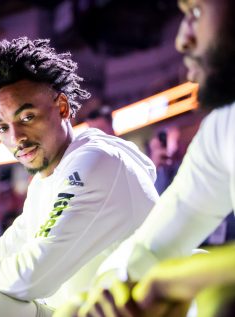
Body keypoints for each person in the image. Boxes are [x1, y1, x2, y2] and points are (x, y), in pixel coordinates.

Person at [0, 37, 159, 317]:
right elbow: (4, 257)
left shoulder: (95, 162)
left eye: (26, 118)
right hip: (79, 310)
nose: (16, 139)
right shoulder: (46, 179)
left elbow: (32, 276)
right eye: (2, 128)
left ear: (62, 107)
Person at [70, 0, 235, 315]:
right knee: (76, 303)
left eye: (195, 13)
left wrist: (164, 281)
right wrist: (116, 289)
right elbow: (152, 243)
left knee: (221, 301)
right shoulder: (224, 123)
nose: (181, 40)